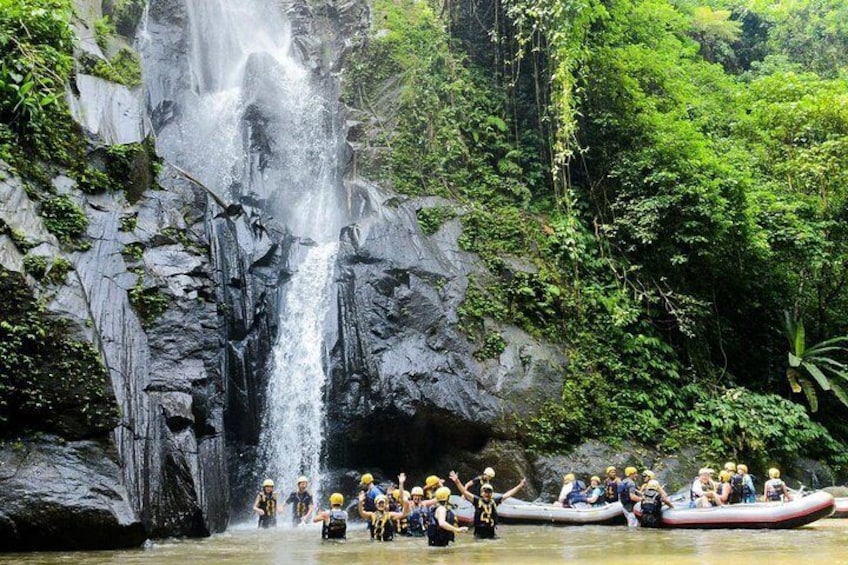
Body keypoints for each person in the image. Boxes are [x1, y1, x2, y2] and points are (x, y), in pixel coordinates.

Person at [450, 470, 525, 539]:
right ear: (482, 493)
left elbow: (508, 494)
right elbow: (465, 492)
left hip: (491, 533)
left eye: (489, 492)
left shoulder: (494, 501)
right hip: (479, 534)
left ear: (492, 493)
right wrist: (457, 481)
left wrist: (519, 486)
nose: (487, 493)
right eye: (485, 491)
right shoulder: (477, 501)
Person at [359, 473, 409, 541]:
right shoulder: (370, 492)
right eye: (379, 503)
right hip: (375, 518)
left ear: (366, 482)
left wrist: (405, 502)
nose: (362, 485)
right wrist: (360, 502)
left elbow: (403, 513)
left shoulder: (375, 491)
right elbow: (362, 513)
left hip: (382, 519)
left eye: (363, 483)